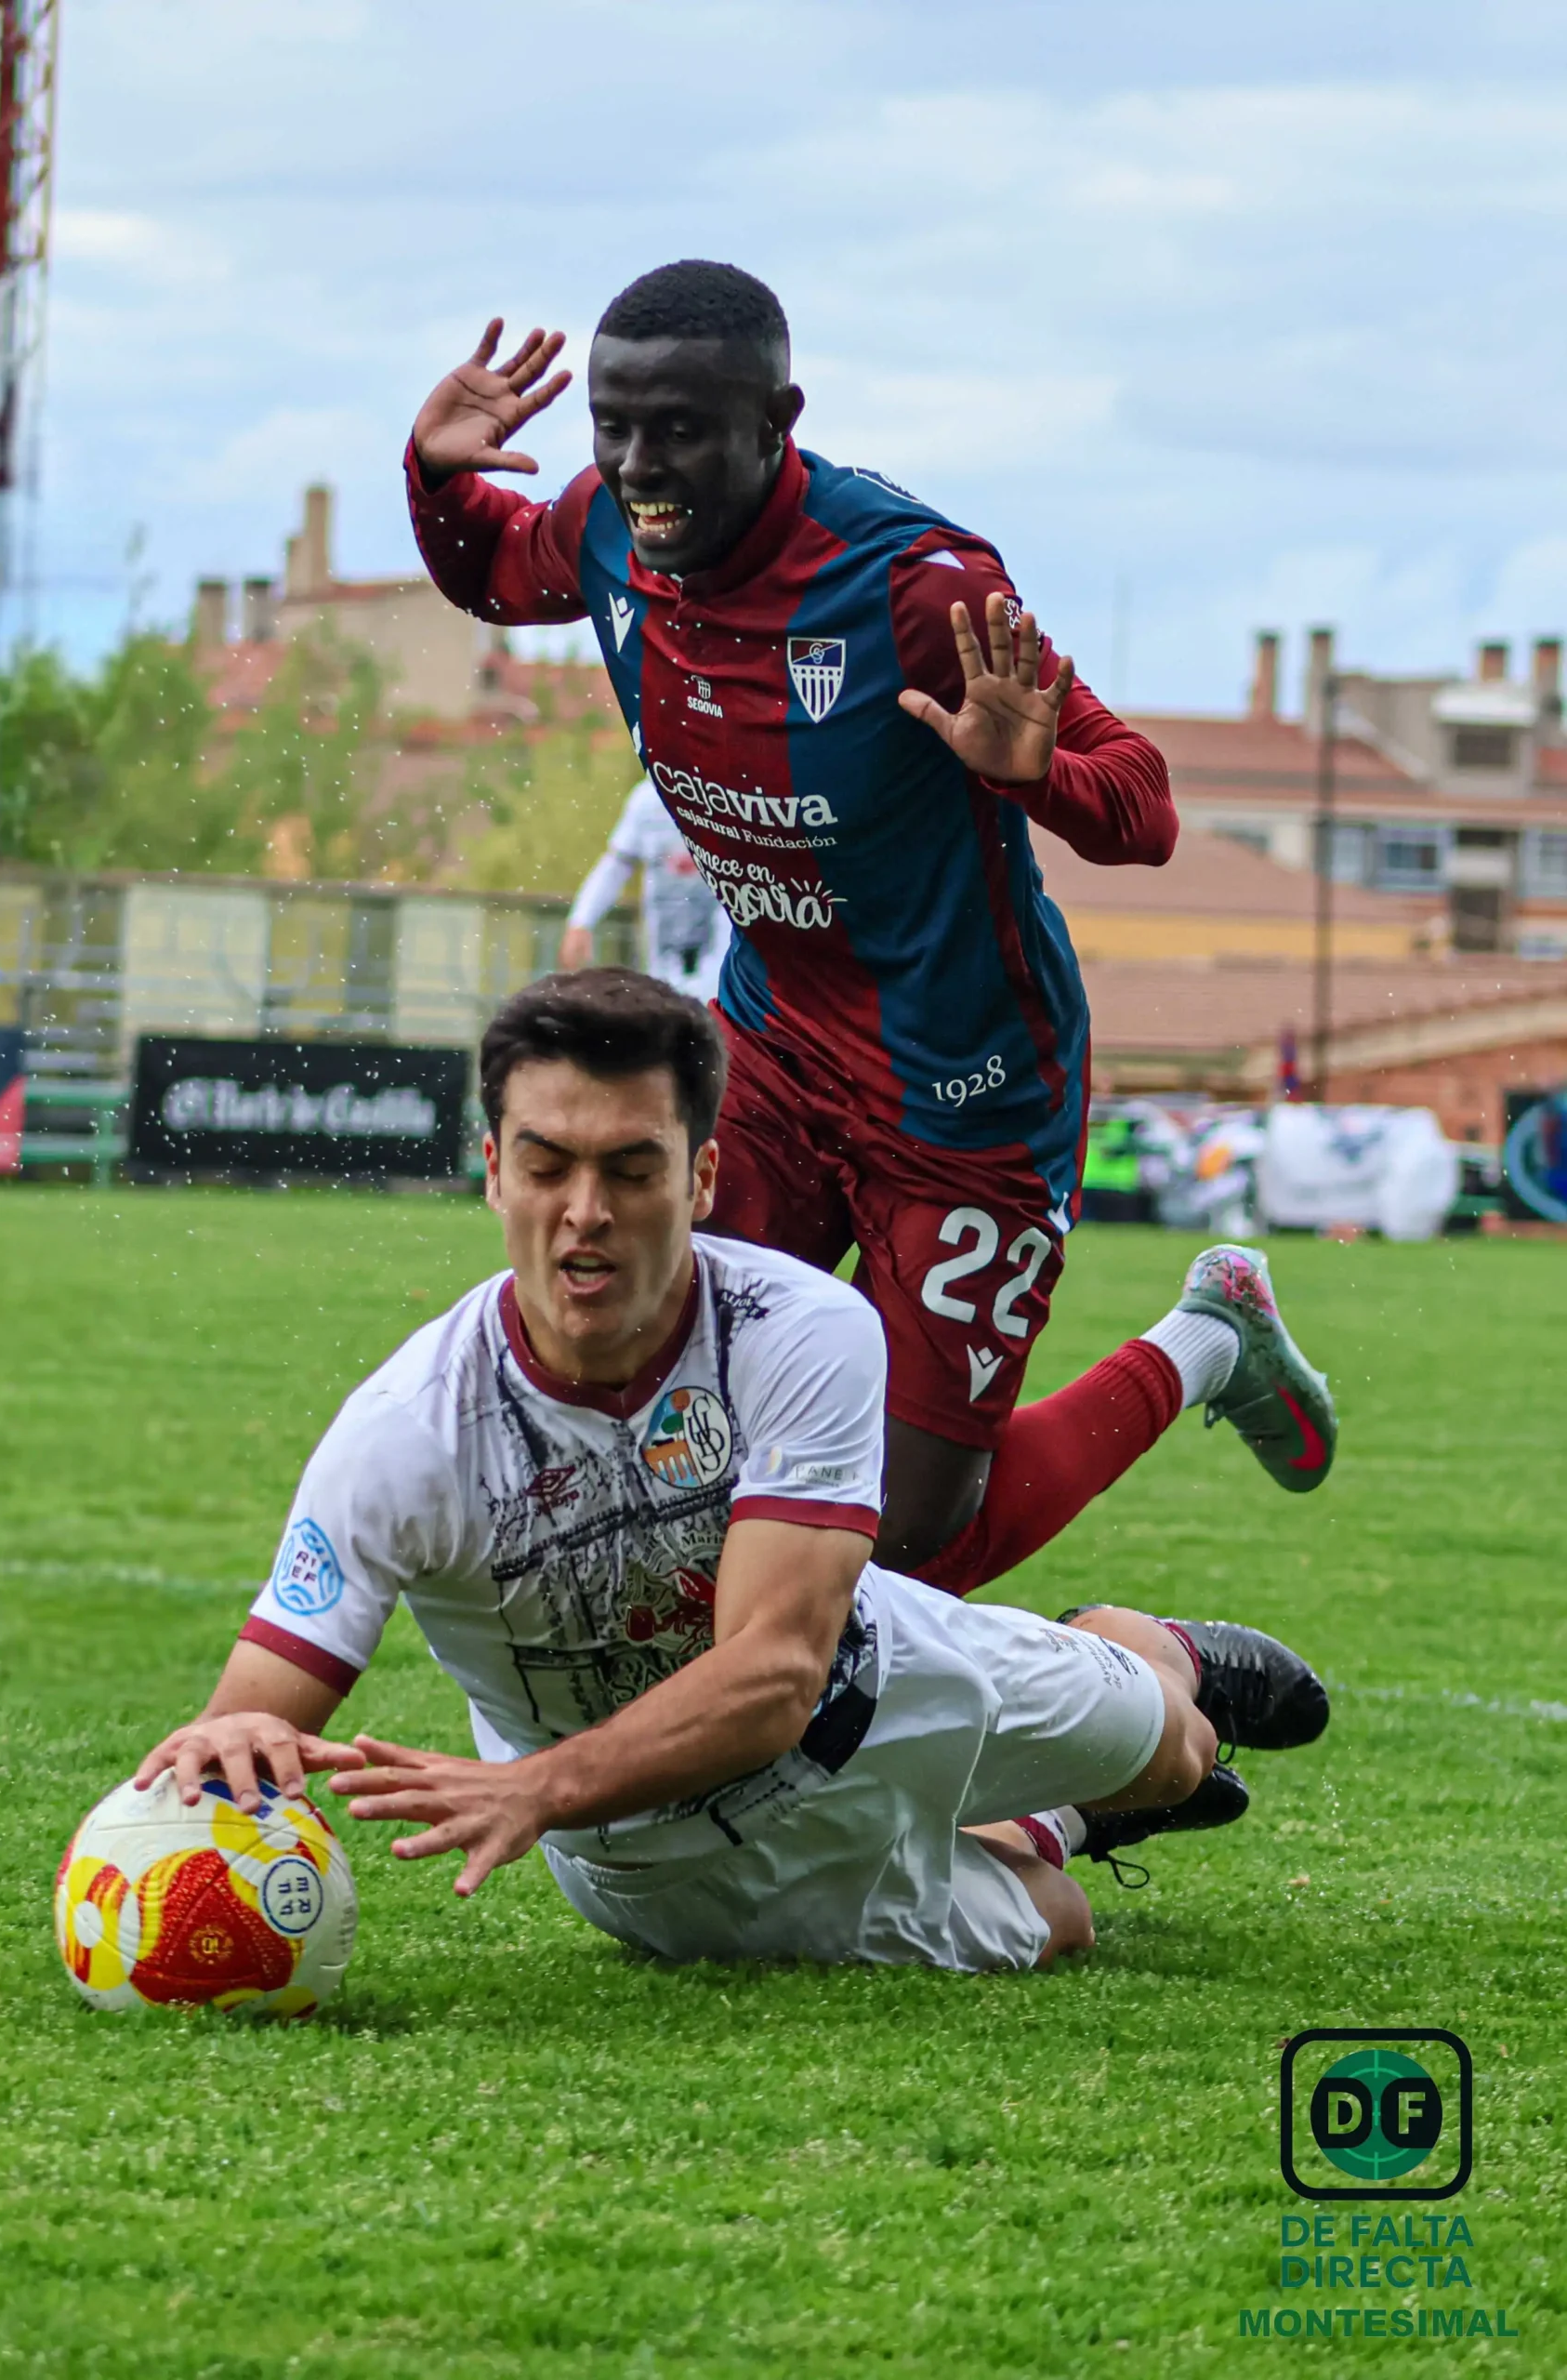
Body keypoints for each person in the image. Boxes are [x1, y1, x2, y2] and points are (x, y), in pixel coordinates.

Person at [402, 261, 1338, 1599]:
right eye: (612, 427)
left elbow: (1144, 808)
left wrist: (1035, 774)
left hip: (967, 1088)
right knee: (659, 1413)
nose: (636, 464)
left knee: (904, 1539)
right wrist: (436, 477)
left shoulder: (915, 586)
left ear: (779, 419)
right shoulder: (614, 523)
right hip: (771, 1052)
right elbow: (494, 569)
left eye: (677, 430)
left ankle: (1208, 1341)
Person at [132, 971, 1328, 1977]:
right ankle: (1050, 1821)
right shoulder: (404, 1430)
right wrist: (186, 1795)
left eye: (633, 1170)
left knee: (1178, 1748)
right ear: (493, 1169)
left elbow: (775, 1673)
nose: (583, 1213)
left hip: (885, 1671)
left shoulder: (800, 1325)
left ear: (702, 1180)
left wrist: (536, 1784)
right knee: (1058, 1921)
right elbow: (254, 1708)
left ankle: (1136, 1645)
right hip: (671, 1865)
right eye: (546, 1165)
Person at [560, 775, 732, 1001]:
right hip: (664, 957)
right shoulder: (648, 800)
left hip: (721, 955)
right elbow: (616, 864)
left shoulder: (732, 798)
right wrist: (581, 921)